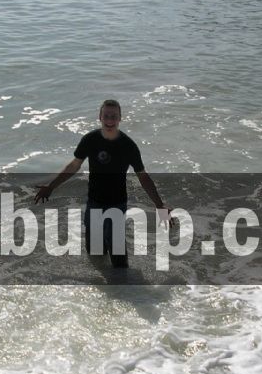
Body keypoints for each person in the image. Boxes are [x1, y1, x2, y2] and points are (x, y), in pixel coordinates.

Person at [34, 99, 171, 267]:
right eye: (106, 116)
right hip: (94, 204)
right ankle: (105, 283)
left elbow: (143, 177)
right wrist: (51, 186)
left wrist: (159, 205)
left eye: (114, 116)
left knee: (119, 260)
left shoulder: (128, 146)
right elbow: (74, 165)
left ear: (120, 118)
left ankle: (126, 283)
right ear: (100, 117)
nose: (110, 120)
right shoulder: (90, 140)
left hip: (117, 205)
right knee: (96, 255)